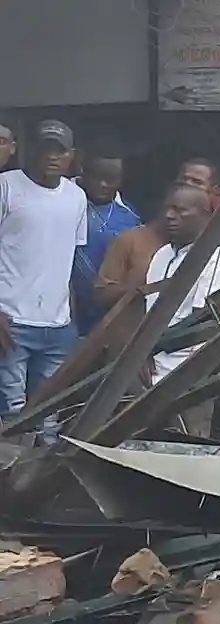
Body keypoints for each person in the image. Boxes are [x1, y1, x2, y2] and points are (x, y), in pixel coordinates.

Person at [0, 121, 88, 428]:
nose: (52, 156)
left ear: (71, 156)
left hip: (58, 325)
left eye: (60, 150)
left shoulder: (76, 197)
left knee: (49, 413)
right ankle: (14, 476)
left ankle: (45, 476)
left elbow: (70, 260)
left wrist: (71, 321)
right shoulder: (6, 186)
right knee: (13, 414)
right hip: (11, 322)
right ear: (30, 151)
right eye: (45, 148)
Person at [143, 185, 220, 384]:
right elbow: (146, 312)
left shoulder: (217, 262)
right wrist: (141, 355)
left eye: (180, 210)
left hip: (182, 379)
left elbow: (201, 328)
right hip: (144, 370)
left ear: (205, 216)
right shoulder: (162, 255)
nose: (169, 215)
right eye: (168, 209)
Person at [72, 152, 141, 335]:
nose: (103, 184)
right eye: (96, 176)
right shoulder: (62, 199)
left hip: (104, 318)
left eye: (111, 179)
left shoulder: (130, 217)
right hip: (57, 312)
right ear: (83, 170)